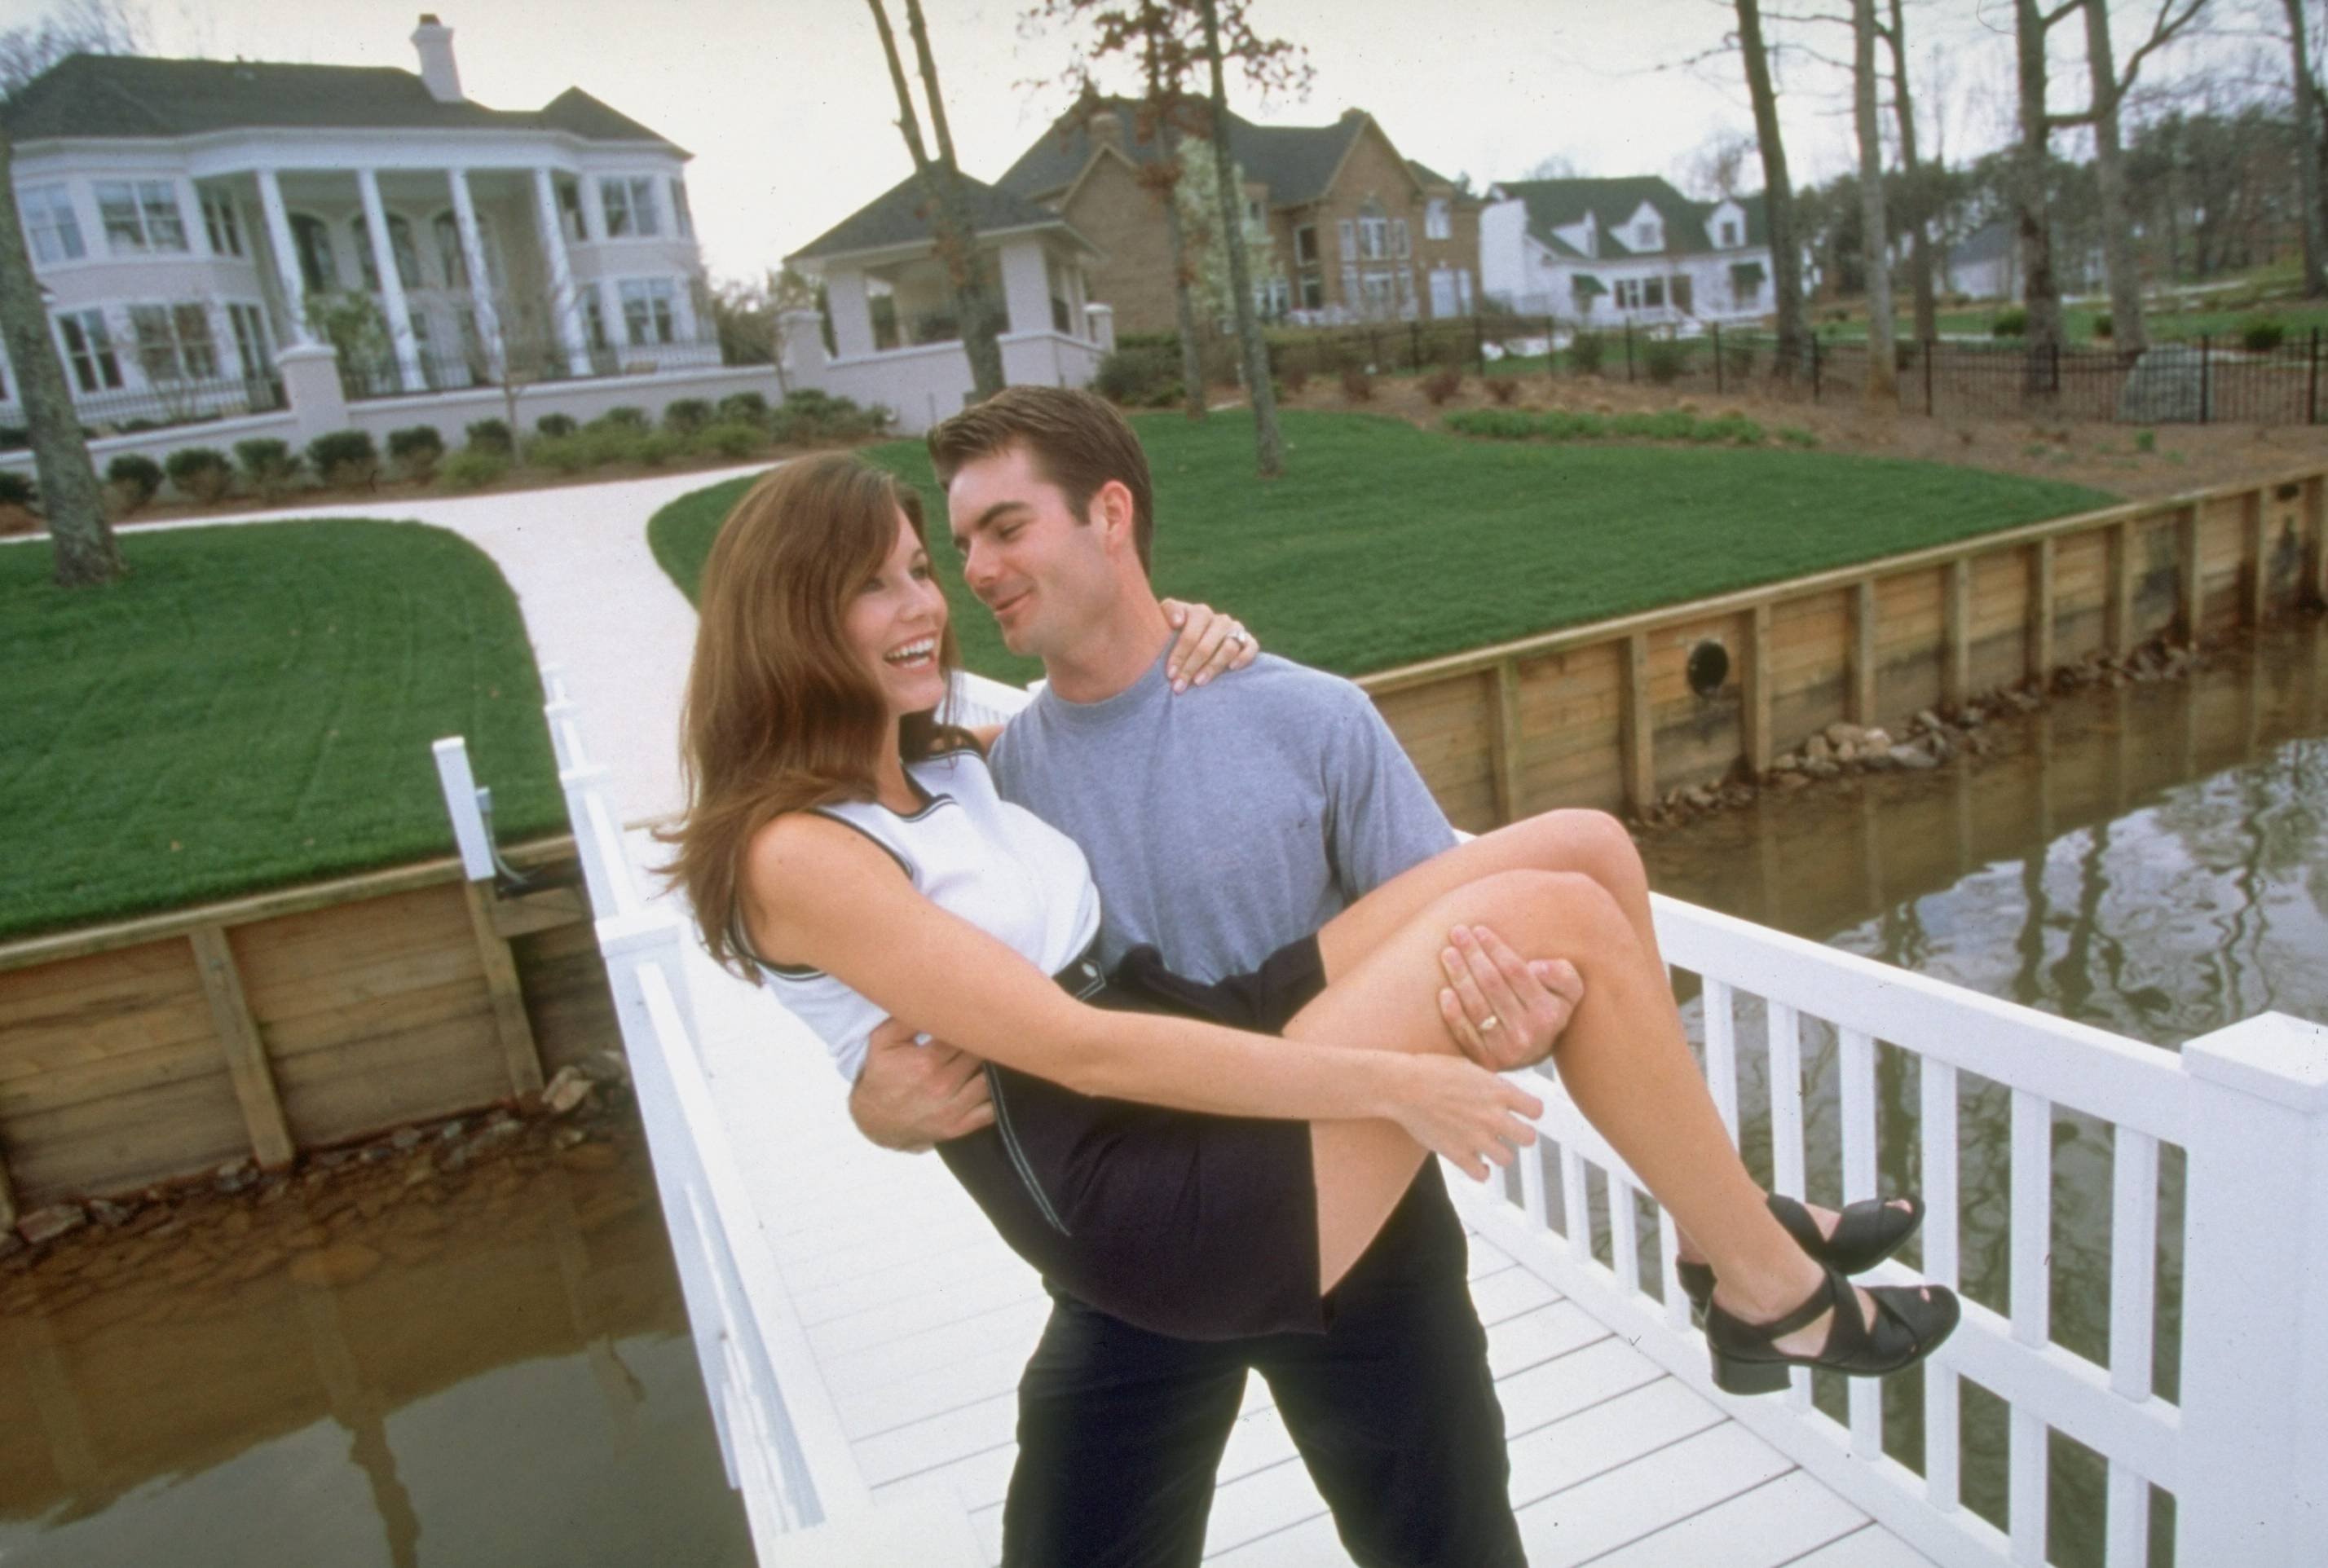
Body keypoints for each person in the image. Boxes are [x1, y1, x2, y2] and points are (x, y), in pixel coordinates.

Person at [670, 397, 1959, 1566]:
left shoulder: (970, 762)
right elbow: (1031, 1036)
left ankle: (1725, 1235)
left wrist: (1192, 627)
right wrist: (868, 1100)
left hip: (1241, 1063)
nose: (949, 596)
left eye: (953, 555)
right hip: (1149, 1171)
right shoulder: (885, 813)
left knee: (1584, 855)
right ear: (794, 615)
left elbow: (1481, 981)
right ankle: (1769, 1291)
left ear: (1110, 519)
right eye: (904, 574)